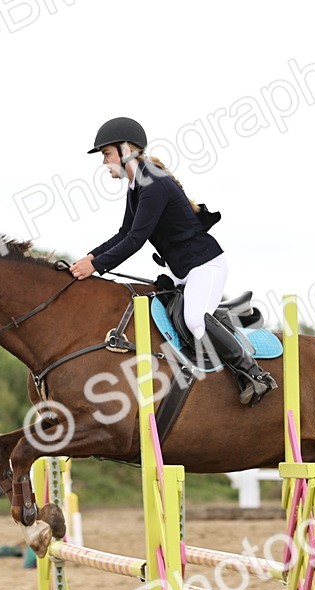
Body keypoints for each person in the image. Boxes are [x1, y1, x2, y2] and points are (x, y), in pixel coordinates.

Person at [67, 117, 277, 406]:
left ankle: (255, 375)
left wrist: (96, 267)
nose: (104, 162)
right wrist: (90, 257)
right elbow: (124, 233)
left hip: (205, 266)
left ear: (125, 150)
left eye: (106, 154)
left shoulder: (153, 183)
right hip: (183, 272)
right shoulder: (137, 185)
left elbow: (136, 240)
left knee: (195, 319)